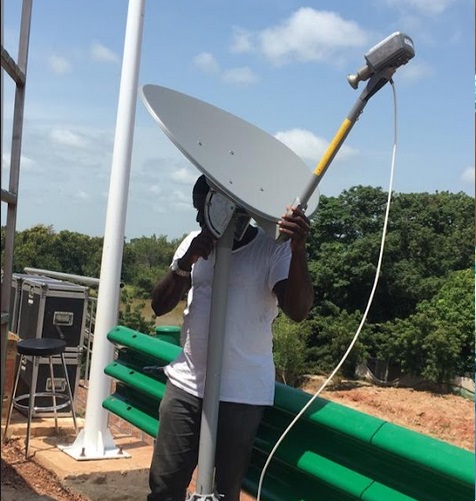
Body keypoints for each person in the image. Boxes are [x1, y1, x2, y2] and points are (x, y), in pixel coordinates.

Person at [147, 174, 314, 501]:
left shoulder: (272, 250)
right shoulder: (192, 242)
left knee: (224, 492)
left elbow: (298, 310)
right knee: (164, 487)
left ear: (235, 211)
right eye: (197, 211)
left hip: (242, 392)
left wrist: (298, 249)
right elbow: (159, 305)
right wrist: (186, 262)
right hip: (187, 384)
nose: (200, 219)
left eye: (205, 210)